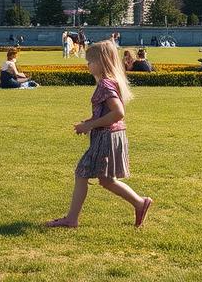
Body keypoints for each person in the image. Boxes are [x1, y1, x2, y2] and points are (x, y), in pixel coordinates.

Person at [45, 40, 152, 229]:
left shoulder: (105, 84)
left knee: (82, 172)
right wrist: (89, 123)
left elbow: (118, 113)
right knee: (106, 180)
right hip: (112, 135)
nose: (88, 65)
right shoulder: (111, 81)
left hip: (106, 136)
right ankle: (139, 203)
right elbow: (107, 112)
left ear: (101, 62)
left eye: (90, 61)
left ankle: (71, 219)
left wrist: (90, 126)